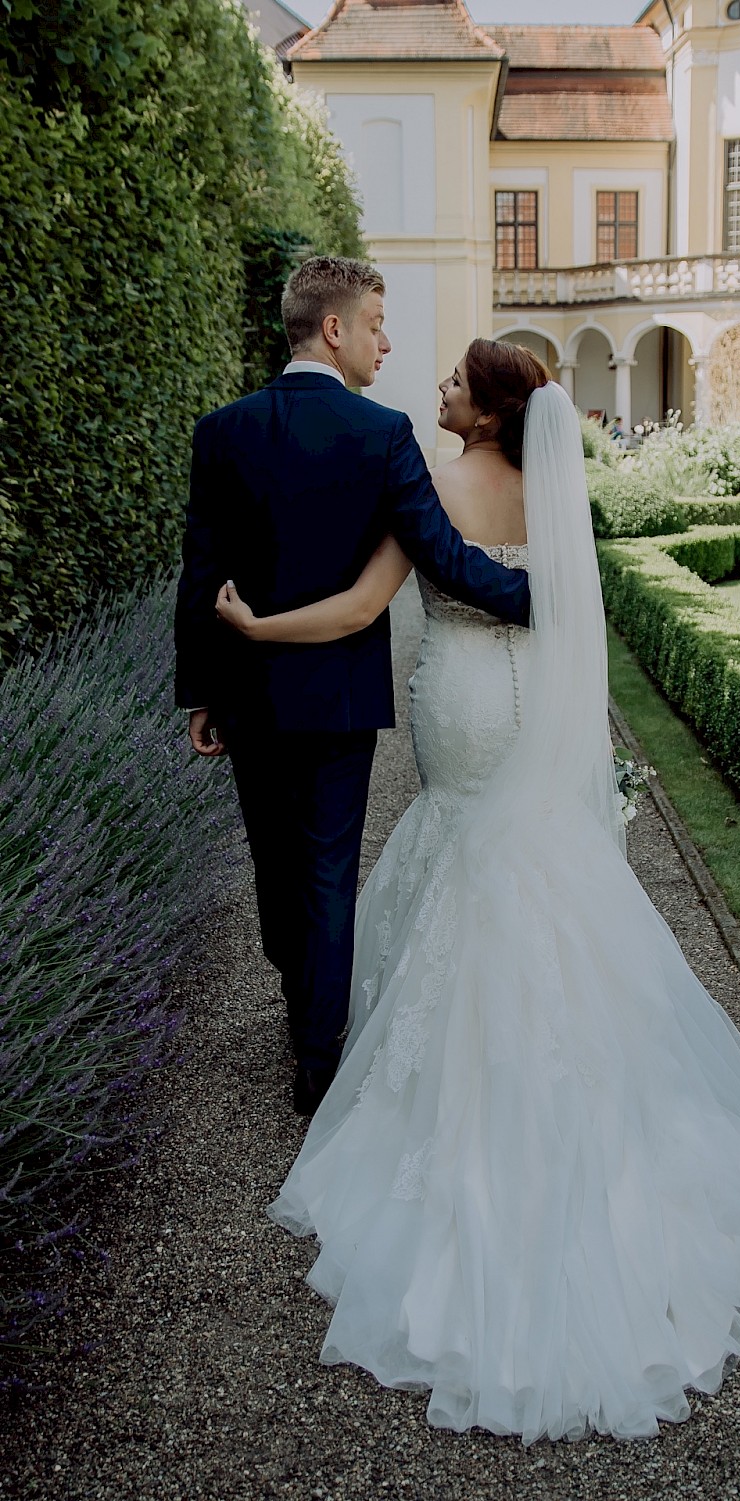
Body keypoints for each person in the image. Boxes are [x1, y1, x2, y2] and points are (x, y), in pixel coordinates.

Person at [216, 339, 740, 1444]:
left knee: (457, 848)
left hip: (458, 694)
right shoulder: (548, 485)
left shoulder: (423, 478)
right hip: (527, 696)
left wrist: (255, 628)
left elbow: (359, 610)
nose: (435, 390)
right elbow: (560, 610)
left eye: (454, 382)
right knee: (535, 860)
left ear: (486, 415)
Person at [174, 259, 529, 1118]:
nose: (386, 339)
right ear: (334, 329)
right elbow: (445, 559)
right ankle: (316, 1058)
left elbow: (202, 572)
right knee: (330, 874)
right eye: (376, 321)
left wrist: (202, 695)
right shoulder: (383, 434)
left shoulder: (222, 430)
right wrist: (547, 597)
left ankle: (304, 1001)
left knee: (274, 867)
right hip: (338, 705)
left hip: (251, 696)